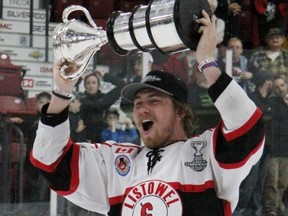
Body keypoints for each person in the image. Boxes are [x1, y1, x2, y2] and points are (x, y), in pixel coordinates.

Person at [30, 11, 265, 215]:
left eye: (154, 100)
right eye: (138, 103)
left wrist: (206, 62)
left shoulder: (205, 155)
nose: (142, 108)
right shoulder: (117, 163)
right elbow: (51, 162)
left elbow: (248, 128)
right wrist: (62, 91)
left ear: (180, 112)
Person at [233, 71, 273, 216]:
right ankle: (241, 207)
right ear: (266, 82)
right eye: (270, 80)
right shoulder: (252, 98)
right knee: (251, 178)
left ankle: (254, 208)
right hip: (255, 145)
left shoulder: (271, 99)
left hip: (268, 145)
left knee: (261, 180)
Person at [262, 75, 288, 216]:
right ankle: (271, 207)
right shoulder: (271, 101)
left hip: (286, 148)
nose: (280, 89)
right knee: (272, 180)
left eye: (282, 85)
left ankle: (279, 204)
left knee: (283, 181)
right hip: (274, 147)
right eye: (277, 87)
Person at [79, 70, 126, 142]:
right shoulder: (80, 98)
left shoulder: (104, 98)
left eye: (94, 83)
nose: (91, 85)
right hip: (83, 138)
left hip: (102, 138)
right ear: (85, 86)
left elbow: (123, 85)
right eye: (88, 83)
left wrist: (106, 75)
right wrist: (81, 77)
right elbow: (67, 88)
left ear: (98, 85)